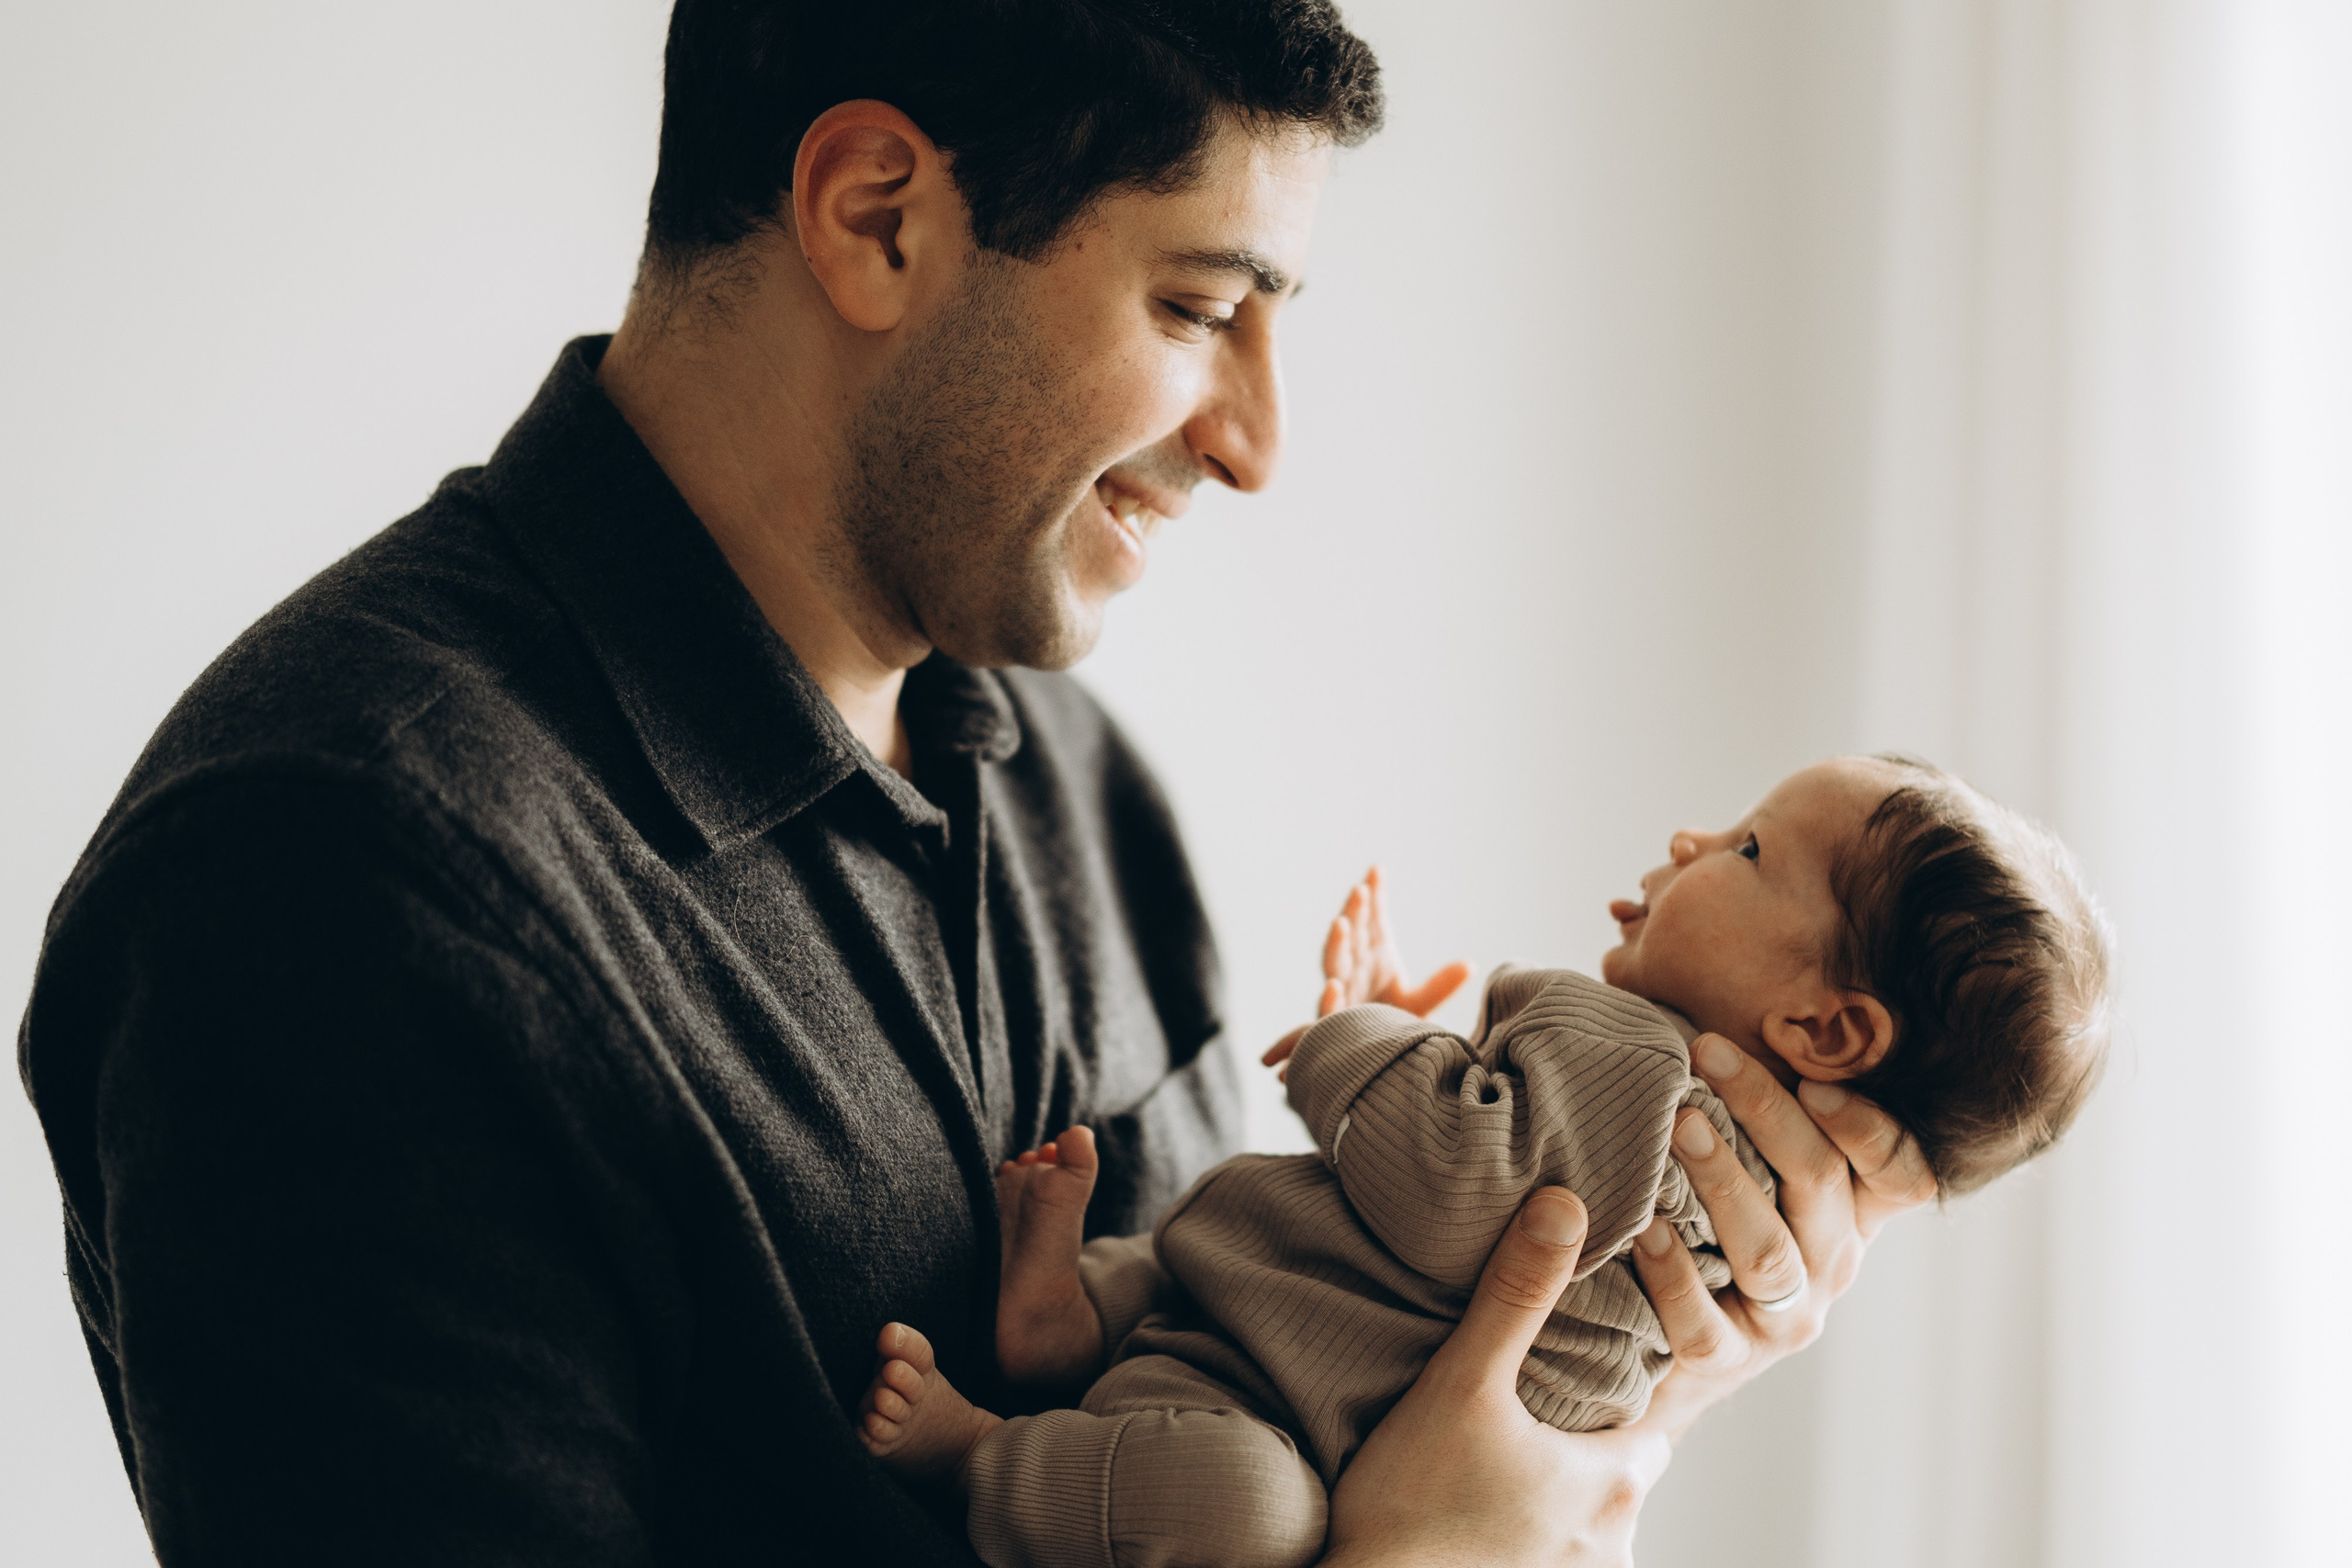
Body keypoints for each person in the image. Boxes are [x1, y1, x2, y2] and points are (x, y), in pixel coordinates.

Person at [16, 4, 1936, 1563]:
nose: (1258, 444)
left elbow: (1283, 1396)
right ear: (876, 216)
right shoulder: (328, 876)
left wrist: (1616, 1353)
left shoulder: (1072, 780)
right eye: (1199, 309)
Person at [854, 757, 2109, 1568]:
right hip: (1287, 1358)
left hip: (1282, 1390)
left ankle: (990, 1452)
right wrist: (1435, 1057)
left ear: (1825, 1031)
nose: (1692, 835)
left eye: (1747, 851)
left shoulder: (1641, 1062)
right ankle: (1065, 1331)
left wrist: (1359, 1042)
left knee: (1240, 1493)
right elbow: (1499, 1190)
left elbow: (1455, 1179)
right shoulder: (1755, 1214)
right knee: (1228, 1443)